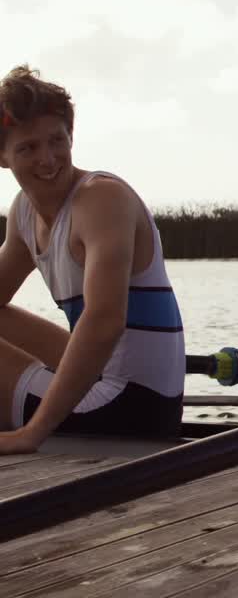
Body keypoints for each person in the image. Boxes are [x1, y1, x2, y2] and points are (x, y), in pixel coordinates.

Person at [0, 65, 185, 454]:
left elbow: (104, 322)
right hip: (102, 381)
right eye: (28, 148)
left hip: (135, 409)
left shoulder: (101, 199)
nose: (48, 159)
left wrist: (33, 433)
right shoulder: (23, 213)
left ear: (71, 136)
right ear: (2, 157)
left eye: (57, 140)